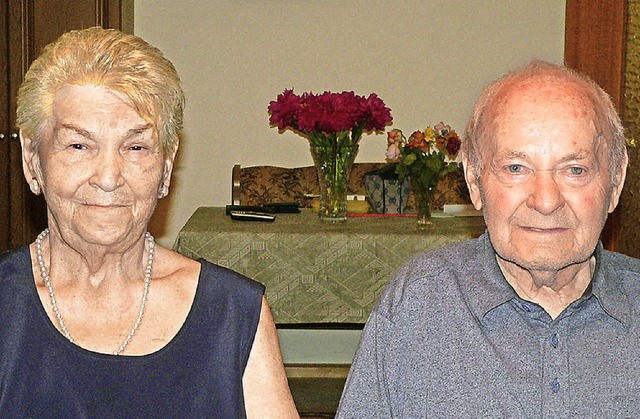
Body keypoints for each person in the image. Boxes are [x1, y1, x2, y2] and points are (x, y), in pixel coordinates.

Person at [0, 27, 298, 417]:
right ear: (32, 159)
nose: (108, 177)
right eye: (78, 145)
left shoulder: (233, 314)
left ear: (166, 166)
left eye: (136, 146)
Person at [336, 60, 640, 417]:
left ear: (615, 183)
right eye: (515, 168)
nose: (545, 200)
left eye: (575, 170)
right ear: (475, 181)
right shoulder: (418, 303)